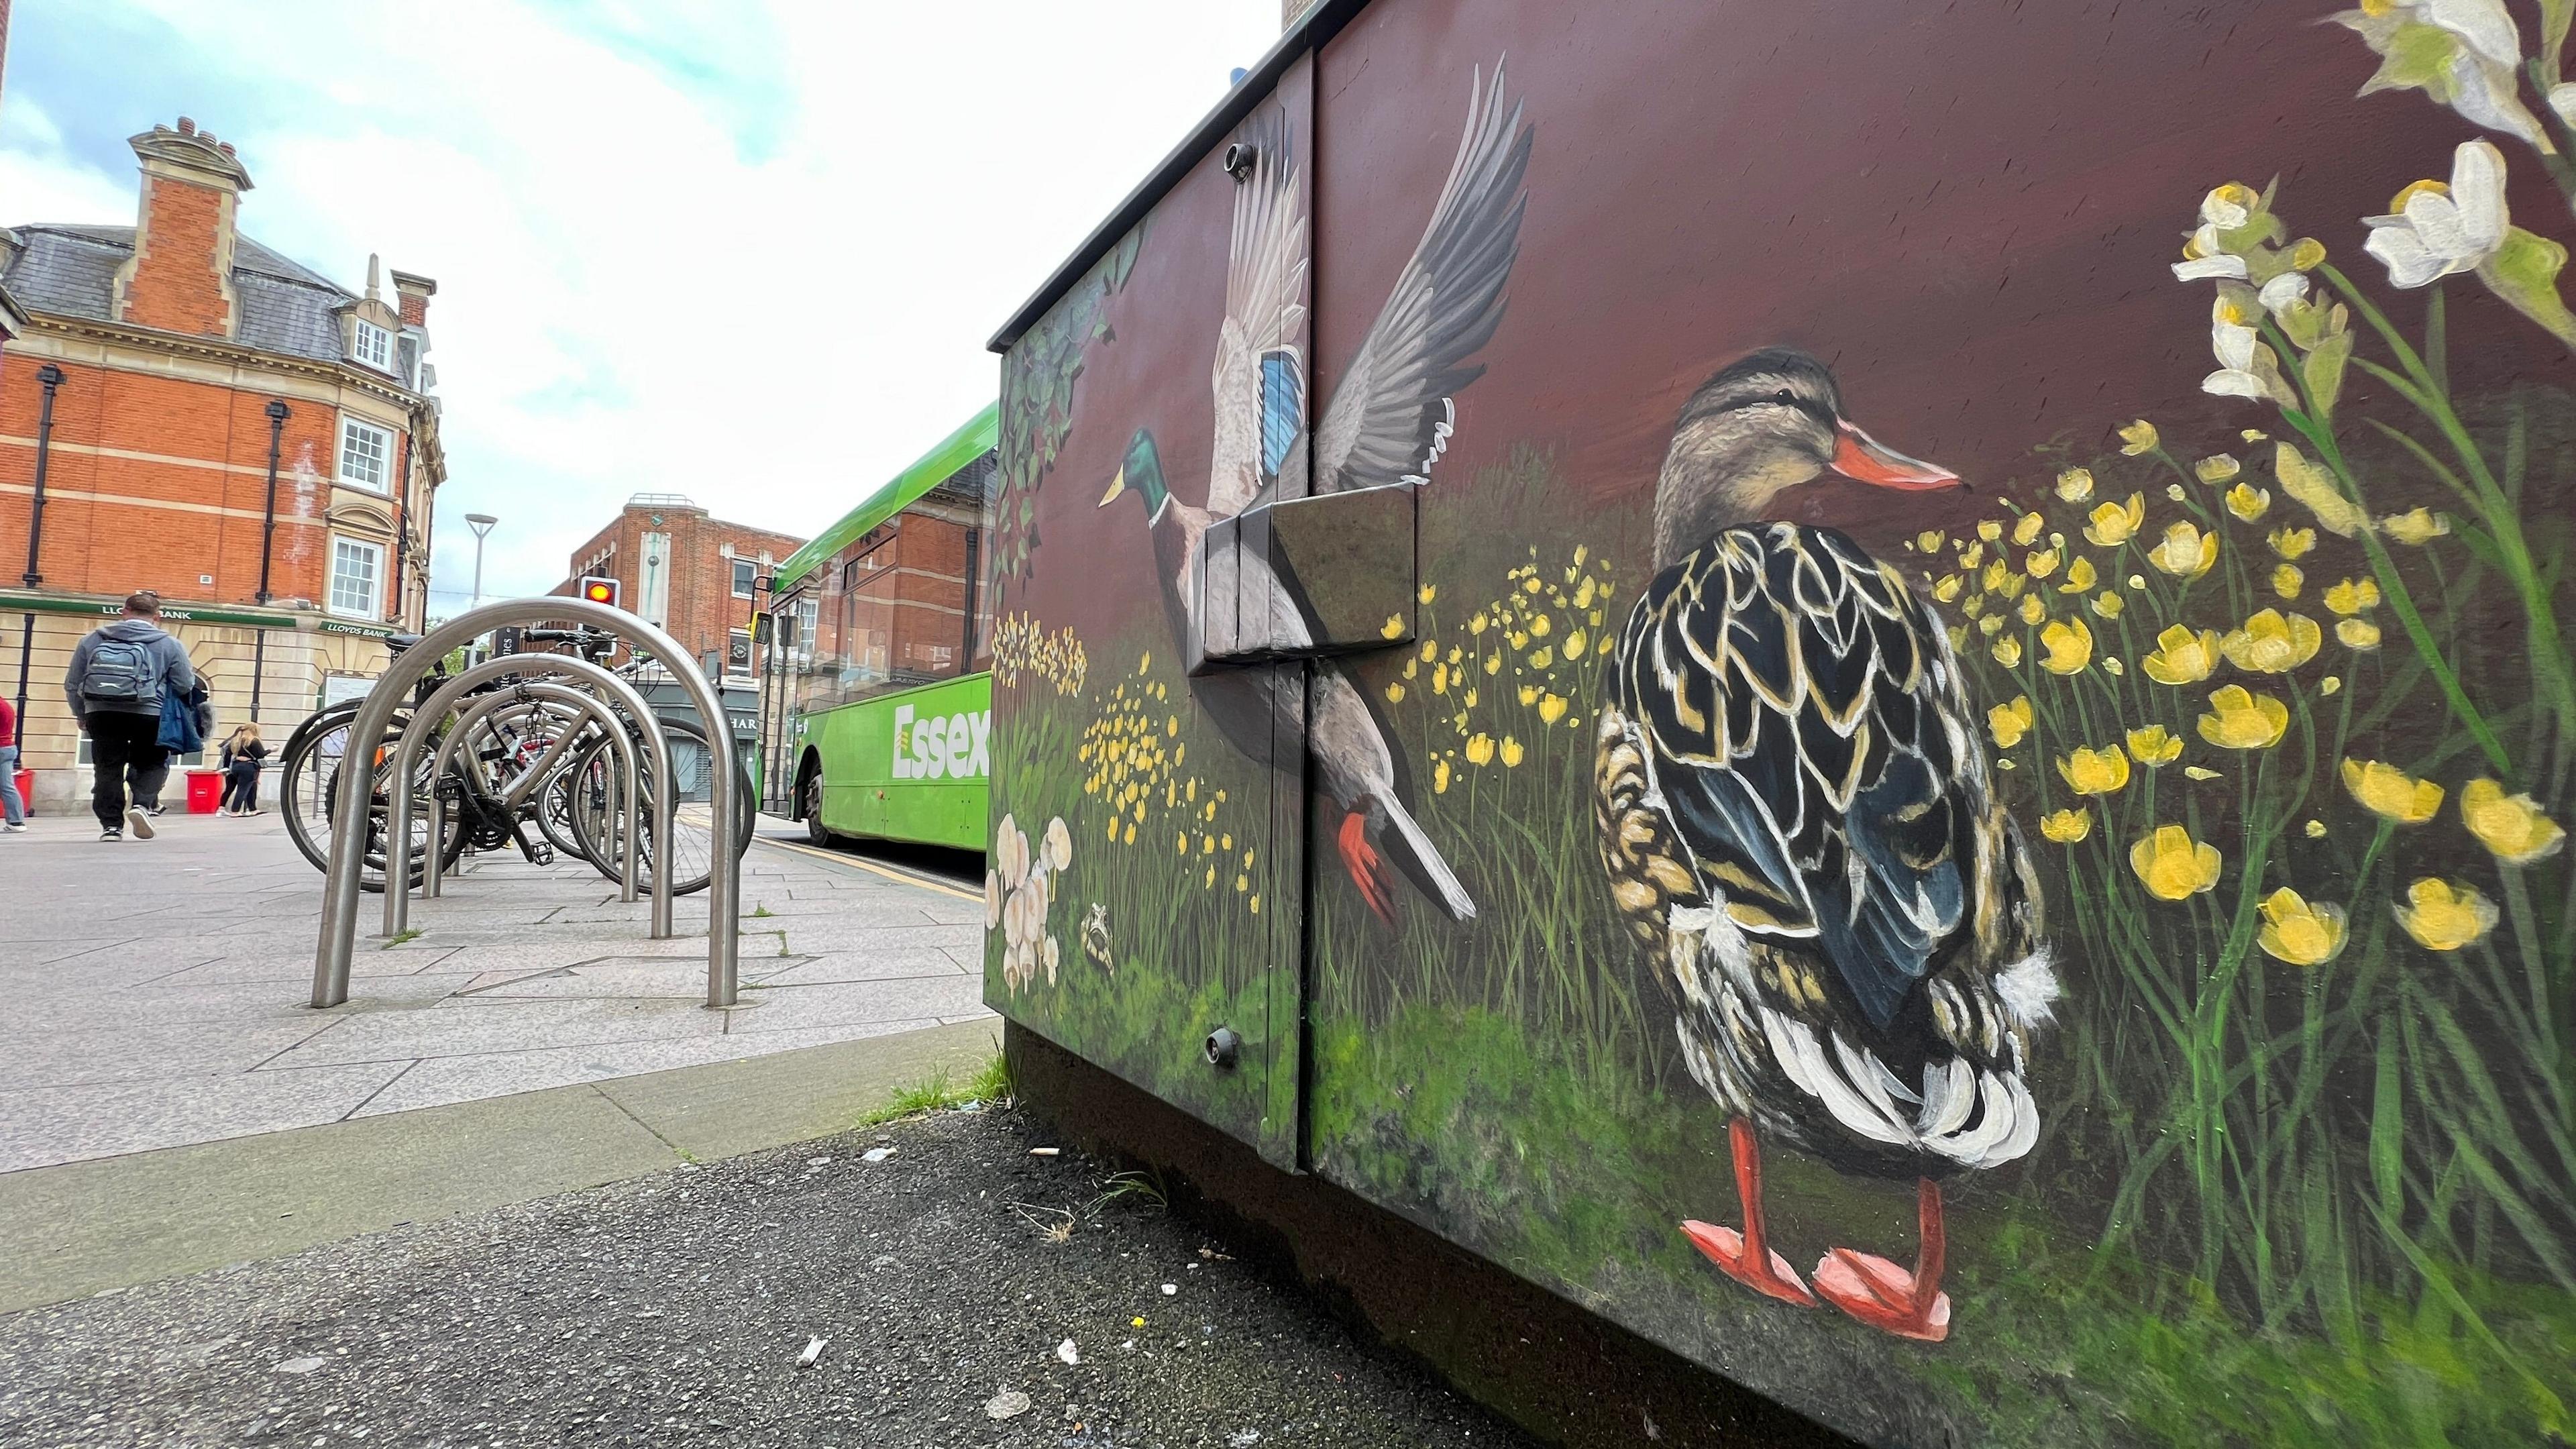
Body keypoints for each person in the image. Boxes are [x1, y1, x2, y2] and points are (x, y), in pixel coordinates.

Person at [64, 590, 196, 841]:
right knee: (151, 762)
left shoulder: (92, 640)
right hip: (149, 711)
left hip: (101, 712)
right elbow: (185, 684)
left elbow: (72, 683)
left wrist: (81, 713)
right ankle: (142, 805)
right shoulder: (169, 644)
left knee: (107, 768)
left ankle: (111, 827)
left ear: (124, 612)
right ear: (157, 617)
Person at [218, 722, 268, 816]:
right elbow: (260, 755)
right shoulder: (254, 741)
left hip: (235, 767)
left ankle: (253, 809)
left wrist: (226, 766)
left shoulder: (236, 741)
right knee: (243, 789)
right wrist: (271, 750)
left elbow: (227, 753)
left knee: (250, 787)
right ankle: (235, 811)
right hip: (249, 767)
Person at [0, 694, 24, 832]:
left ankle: (16, 822)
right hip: (7, 747)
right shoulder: (5, 704)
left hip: (1, 748)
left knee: (6, 787)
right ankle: (16, 822)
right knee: (6, 786)